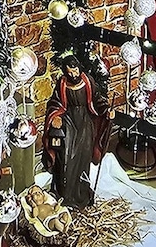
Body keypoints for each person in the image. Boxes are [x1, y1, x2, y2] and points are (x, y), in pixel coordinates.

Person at [42, 54, 111, 209]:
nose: (73, 74)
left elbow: (97, 100)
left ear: (79, 68)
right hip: (68, 122)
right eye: (69, 72)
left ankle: (81, 193)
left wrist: (107, 111)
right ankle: (64, 194)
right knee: (65, 158)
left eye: (75, 71)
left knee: (83, 159)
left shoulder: (87, 81)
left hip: (85, 124)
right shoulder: (62, 83)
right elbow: (54, 102)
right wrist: (56, 116)